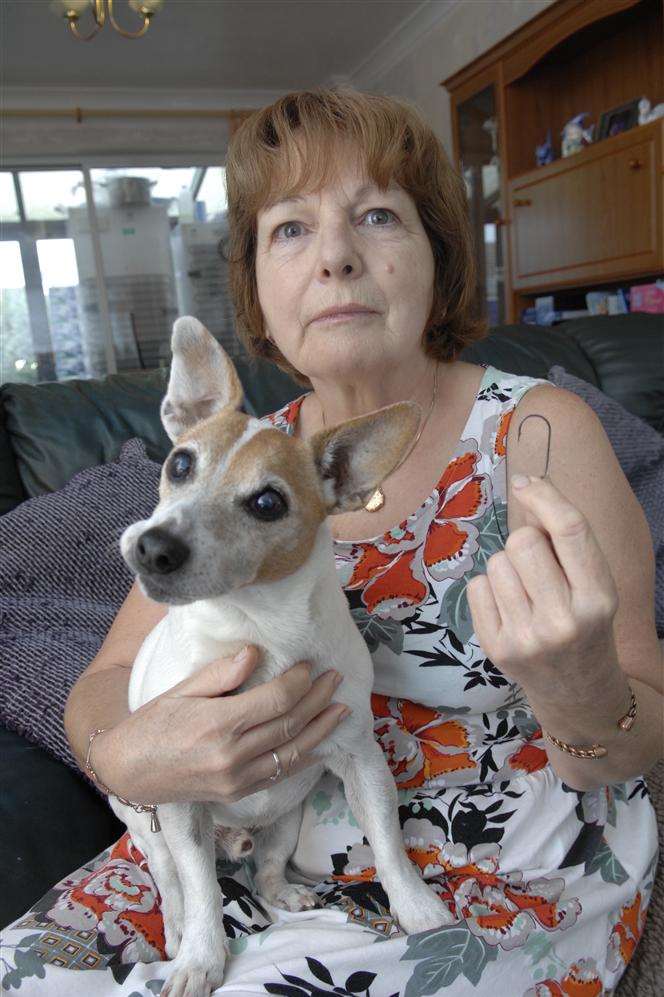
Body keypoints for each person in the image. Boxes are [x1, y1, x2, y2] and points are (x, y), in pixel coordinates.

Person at [2, 87, 661, 996]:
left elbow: (642, 734)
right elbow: (110, 680)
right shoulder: (236, 451)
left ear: (438, 256)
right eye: (290, 230)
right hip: (227, 855)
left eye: (378, 216)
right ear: (256, 288)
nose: (337, 258)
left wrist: (583, 685)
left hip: (483, 865)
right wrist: (124, 758)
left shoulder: (541, 431)